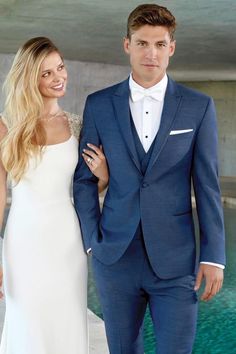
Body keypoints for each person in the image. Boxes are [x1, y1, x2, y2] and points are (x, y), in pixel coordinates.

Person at [73, 4, 226, 354]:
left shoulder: (197, 106)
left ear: (171, 48)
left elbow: (207, 186)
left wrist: (214, 255)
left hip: (175, 262)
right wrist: (92, 240)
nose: (151, 53)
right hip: (114, 258)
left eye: (160, 44)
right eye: (142, 43)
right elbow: (83, 180)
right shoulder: (99, 104)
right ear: (127, 44)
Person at [0, 37, 108, 354]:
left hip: (67, 242)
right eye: (46, 73)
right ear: (30, 77)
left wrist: (103, 177)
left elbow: (86, 191)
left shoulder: (78, 125)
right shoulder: (7, 126)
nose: (58, 77)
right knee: (26, 323)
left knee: (67, 323)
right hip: (22, 242)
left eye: (60, 67)